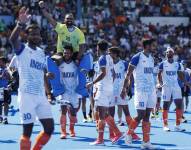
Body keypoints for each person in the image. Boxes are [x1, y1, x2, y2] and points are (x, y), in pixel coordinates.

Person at [9, 7, 54, 150]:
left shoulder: (41, 53)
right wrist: (20, 24)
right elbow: (12, 39)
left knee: (49, 128)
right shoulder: (22, 50)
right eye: (33, 34)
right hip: (27, 96)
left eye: (38, 34)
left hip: (40, 96)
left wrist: (48, 92)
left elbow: (42, 73)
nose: (36, 36)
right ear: (27, 36)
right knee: (27, 133)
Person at [120, 38, 157, 149]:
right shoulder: (137, 57)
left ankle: (146, 142)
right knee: (140, 114)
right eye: (152, 45)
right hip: (140, 90)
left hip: (151, 91)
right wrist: (124, 89)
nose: (154, 47)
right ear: (146, 46)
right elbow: (128, 74)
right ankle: (129, 134)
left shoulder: (151, 58)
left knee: (147, 116)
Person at [86, 40, 123, 145]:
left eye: (97, 48)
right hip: (108, 89)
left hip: (102, 89)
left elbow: (103, 73)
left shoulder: (102, 58)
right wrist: (109, 84)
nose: (96, 50)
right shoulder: (110, 58)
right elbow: (114, 74)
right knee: (103, 112)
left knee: (102, 114)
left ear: (99, 48)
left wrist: (92, 83)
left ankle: (101, 139)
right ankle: (117, 133)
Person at [109, 47, 140, 141]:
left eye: (110, 53)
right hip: (110, 91)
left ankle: (132, 133)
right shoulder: (107, 64)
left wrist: (128, 89)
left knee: (126, 111)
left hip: (121, 91)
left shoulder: (124, 63)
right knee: (111, 113)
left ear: (116, 54)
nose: (109, 55)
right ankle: (113, 134)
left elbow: (129, 76)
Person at [158, 47, 187, 132]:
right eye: (167, 52)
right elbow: (159, 75)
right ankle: (165, 125)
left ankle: (177, 126)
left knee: (179, 105)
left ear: (173, 54)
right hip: (166, 87)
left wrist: (186, 82)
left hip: (176, 87)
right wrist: (160, 83)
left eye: (170, 52)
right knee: (166, 105)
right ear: (166, 54)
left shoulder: (177, 64)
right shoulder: (162, 64)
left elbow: (180, 75)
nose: (168, 54)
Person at [58, 45, 80, 139]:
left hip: (74, 91)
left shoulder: (76, 64)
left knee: (72, 112)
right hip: (63, 91)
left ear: (71, 54)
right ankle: (63, 132)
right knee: (63, 111)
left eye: (68, 52)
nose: (66, 54)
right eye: (64, 52)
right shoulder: (59, 64)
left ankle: (71, 130)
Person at [0, 57, 11, 124]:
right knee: (0, 104)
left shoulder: (8, 69)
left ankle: (5, 118)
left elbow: (11, 78)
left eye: (0, 61)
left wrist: (7, 76)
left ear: (3, 62)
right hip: (0, 89)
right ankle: (0, 117)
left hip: (6, 89)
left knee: (6, 103)